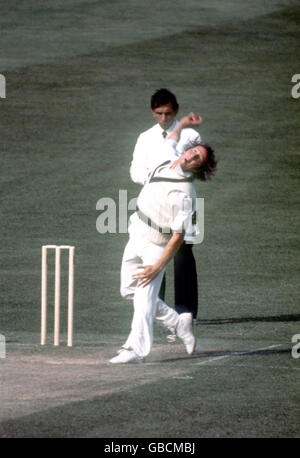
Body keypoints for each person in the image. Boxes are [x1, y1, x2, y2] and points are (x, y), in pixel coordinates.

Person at [110, 113, 217, 364]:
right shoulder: (167, 156)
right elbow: (171, 138)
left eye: (197, 158)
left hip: (158, 243)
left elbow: (178, 237)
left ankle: (135, 349)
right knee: (128, 290)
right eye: (192, 152)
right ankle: (177, 323)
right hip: (137, 231)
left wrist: (158, 267)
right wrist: (183, 123)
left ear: (198, 168)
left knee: (145, 299)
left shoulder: (184, 193)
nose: (190, 156)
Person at [130, 88, 201, 325]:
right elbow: (135, 170)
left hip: (180, 202)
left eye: (168, 113)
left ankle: (186, 312)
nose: (163, 118)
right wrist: (151, 176)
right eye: (159, 113)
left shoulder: (189, 136)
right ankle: (154, 308)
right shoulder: (145, 137)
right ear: (153, 112)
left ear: (176, 111)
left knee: (182, 255)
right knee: (152, 254)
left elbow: (197, 165)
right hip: (154, 206)